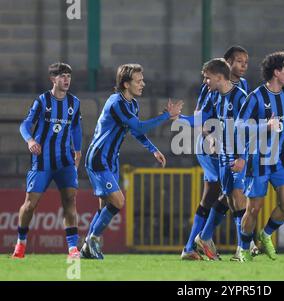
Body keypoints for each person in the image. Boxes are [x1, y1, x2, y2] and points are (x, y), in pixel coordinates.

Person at [81, 63, 183, 259]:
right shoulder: (116, 102)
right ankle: (92, 241)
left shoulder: (132, 104)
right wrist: (166, 115)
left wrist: (153, 149)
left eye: (142, 80)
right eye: (139, 81)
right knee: (118, 201)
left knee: (105, 207)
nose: (143, 84)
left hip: (111, 160)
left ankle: (88, 246)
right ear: (126, 84)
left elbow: (135, 130)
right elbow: (140, 127)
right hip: (98, 158)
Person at [180, 46, 252, 261]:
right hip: (211, 148)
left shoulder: (242, 90)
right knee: (226, 194)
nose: (243, 66)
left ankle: (203, 240)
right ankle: (236, 247)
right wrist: (209, 136)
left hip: (229, 149)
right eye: (239, 61)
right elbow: (202, 120)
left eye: (245, 62)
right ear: (227, 65)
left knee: (225, 194)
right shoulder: (211, 89)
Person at [12, 62, 83, 259]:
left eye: (68, 75)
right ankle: (20, 244)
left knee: (70, 199)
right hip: (42, 161)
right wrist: (30, 140)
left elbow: (76, 128)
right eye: (62, 76)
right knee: (30, 204)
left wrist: (78, 151)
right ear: (53, 79)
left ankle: (72, 248)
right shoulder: (42, 101)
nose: (66, 79)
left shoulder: (74, 103)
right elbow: (26, 124)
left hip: (65, 161)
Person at [235, 51, 284, 262]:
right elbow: (239, 125)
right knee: (253, 209)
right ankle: (243, 248)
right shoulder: (255, 97)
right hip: (258, 160)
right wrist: (265, 125)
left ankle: (266, 234)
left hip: (281, 160)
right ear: (276, 72)